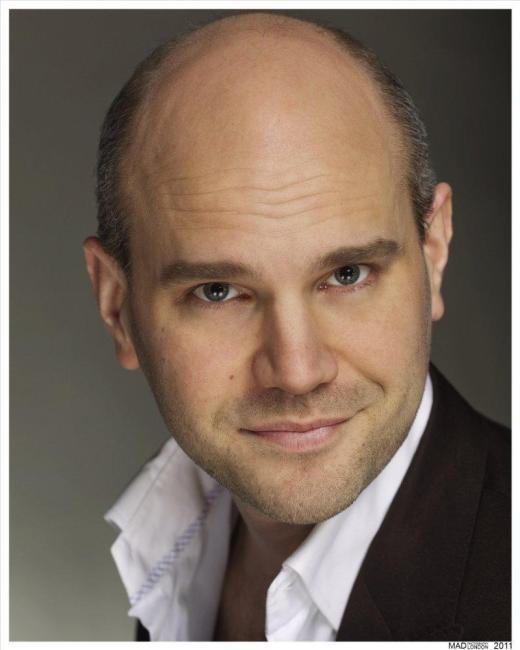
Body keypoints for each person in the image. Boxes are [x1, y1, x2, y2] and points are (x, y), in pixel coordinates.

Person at [83, 12, 510, 642]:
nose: (297, 371)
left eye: (347, 275)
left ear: (434, 253)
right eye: (218, 291)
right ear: (118, 307)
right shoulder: (178, 547)